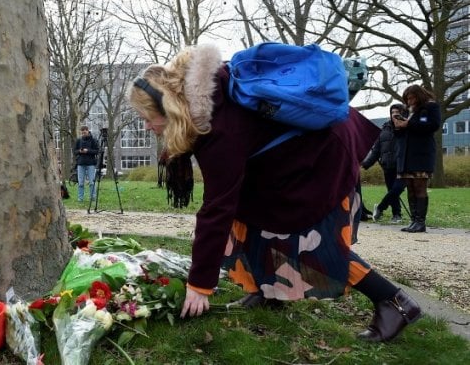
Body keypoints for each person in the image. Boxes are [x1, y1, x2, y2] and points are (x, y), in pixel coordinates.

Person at [127, 44, 421, 342]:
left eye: (149, 118)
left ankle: (394, 302)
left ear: (172, 108)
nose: (148, 126)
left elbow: (217, 208)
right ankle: (267, 292)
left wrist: (199, 284)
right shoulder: (208, 93)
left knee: (308, 243)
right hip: (301, 152)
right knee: (252, 219)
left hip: (320, 157)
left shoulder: (217, 127)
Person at [393, 85, 441, 233]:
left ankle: (421, 222)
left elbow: (433, 125)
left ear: (419, 95)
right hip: (407, 155)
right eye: (407, 98)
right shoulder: (409, 112)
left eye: (411, 97)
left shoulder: (430, 107)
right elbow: (404, 134)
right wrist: (399, 126)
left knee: (420, 187)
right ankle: (414, 220)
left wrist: (409, 124)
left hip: (422, 155)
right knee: (411, 188)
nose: (409, 101)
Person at [362, 104, 408, 223]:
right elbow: (376, 150)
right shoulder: (384, 129)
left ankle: (380, 207)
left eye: (397, 112)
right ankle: (396, 214)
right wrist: (365, 164)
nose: (394, 115)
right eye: (392, 112)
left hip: (403, 165)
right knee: (392, 191)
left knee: (397, 189)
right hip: (387, 165)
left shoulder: (407, 128)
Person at [73, 125, 99, 202]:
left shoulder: (93, 140)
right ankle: (80, 198)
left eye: (85, 131)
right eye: (82, 132)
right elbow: (74, 151)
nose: (84, 133)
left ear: (88, 131)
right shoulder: (79, 140)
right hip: (80, 163)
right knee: (80, 183)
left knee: (92, 182)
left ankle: (93, 197)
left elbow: (97, 151)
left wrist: (87, 151)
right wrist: (80, 151)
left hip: (91, 163)